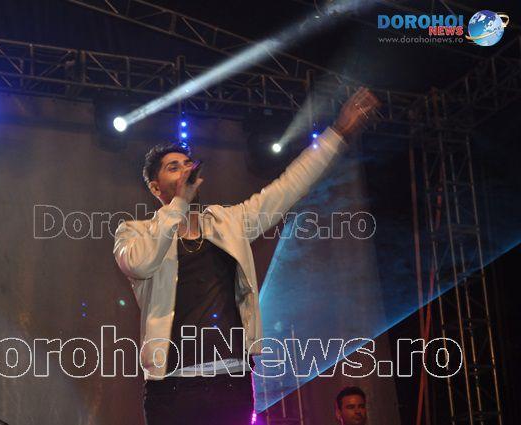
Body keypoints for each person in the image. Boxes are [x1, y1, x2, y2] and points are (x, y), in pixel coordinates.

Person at [113, 87, 380, 425]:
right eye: (172, 167)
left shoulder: (230, 222)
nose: (184, 171)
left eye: (187, 164)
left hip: (231, 380)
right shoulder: (134, 232)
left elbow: (287, 188)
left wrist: (337, 133)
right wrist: (178, 204)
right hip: (173, 386)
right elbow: (140, 264)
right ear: (155, 187)